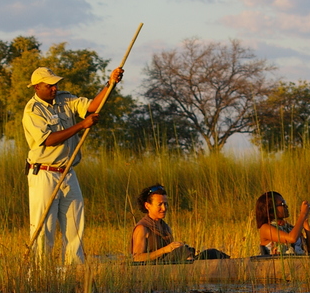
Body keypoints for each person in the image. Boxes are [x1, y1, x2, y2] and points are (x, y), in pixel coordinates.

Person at [24, 65, 124, 265]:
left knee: (75, 226)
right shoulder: (32, 110)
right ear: (36, 87)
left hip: (68, 172)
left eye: (56, 84)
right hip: (44, 173)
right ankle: (40, 276)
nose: (54, 88)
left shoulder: (65, 98)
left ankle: (74, 273)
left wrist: (110, 83)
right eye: (49, 85)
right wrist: (81, 125)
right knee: (44, 228)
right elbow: (48, 139)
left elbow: (92, 107)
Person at [131, 184, 229, 263]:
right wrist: (166, 249)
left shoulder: (165, 227)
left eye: (165, 204)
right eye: (159, 204)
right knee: (181, 251)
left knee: (212, 253)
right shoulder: (142, 228)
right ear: (147, 205)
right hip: (155, 268)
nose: (164, 208)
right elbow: (137, 258)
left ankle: (233, 266)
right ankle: (192, 269)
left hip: (170, 263)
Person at [255, 191, 310, 256]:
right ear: (271, 208)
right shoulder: (265, 228)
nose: (286, 206)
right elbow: (292, 239)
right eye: (283, 203)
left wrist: (305, 223)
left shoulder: (289, 227)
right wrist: (303, 214)